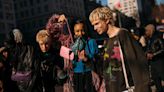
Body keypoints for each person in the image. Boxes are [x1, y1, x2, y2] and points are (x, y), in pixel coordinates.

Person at [89, 6, 150, 92]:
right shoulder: (107, 42)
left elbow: (138, 63)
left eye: (97, 23)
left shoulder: (122, 35)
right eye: (93, 25)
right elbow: (106, 69)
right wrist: (87, 60)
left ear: (106, 20)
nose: (95, 28)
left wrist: (142, 88)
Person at [71, 20, 99, 92]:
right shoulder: (71, 44)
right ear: (73, 32)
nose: (80, 33)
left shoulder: (91, 42)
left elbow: (96, 59)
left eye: (82, 30)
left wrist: (86, 58)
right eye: (77, 31)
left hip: (90, 74)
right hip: (77, 75)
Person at [145, 24, 164, 92]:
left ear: (151, 30)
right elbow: (149, 50)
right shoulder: (148, 39)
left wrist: (154, 55)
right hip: (152, 63)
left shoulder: (157, 38)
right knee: (156, 81)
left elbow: (162, 49)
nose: (145, 32)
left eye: (146, 30)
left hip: (159, 62)